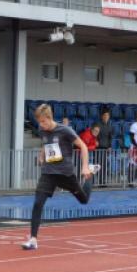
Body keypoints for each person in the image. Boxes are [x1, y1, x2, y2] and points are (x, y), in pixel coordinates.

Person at [21, 104, 93, 250]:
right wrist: (41, 156)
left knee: (84, 200)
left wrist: (85, 167)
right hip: (48, 173)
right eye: (39, 122)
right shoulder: (42, 130)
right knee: (38, 203)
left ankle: (90, 176)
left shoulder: (65, 130)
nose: (41, 125)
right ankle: (33, 239)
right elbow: (45, 144)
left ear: (49, 118)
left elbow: (83, 146)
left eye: (43, 122)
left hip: (66, 174)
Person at [96, 109, 113, 186]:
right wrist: (95, 141)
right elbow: (94, 134)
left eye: (107, 116)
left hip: (106, 148)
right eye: (105, 115)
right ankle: (96, 181)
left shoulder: (110, 126)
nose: (106, 117)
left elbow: (110, 137)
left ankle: (102, 181)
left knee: (104, 165)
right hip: (98, 148)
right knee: (98, 165)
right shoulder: (97, 124)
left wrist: (109, 146)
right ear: (102, 116)